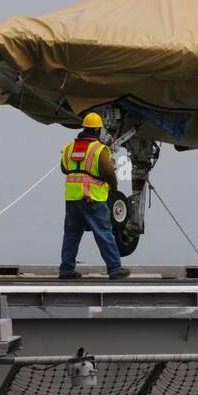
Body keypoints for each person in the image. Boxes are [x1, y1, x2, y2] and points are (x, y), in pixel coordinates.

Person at [58, 112, 129, 280]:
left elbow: (64, 169)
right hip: (92, 199)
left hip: (72, 199)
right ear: (97, 130)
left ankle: (66, 270)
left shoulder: (69, 148)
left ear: (84, 128)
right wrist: (114, 186)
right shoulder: (99, 149)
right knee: (104, 233)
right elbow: (108, 172)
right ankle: (115, 269)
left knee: (71, 235)